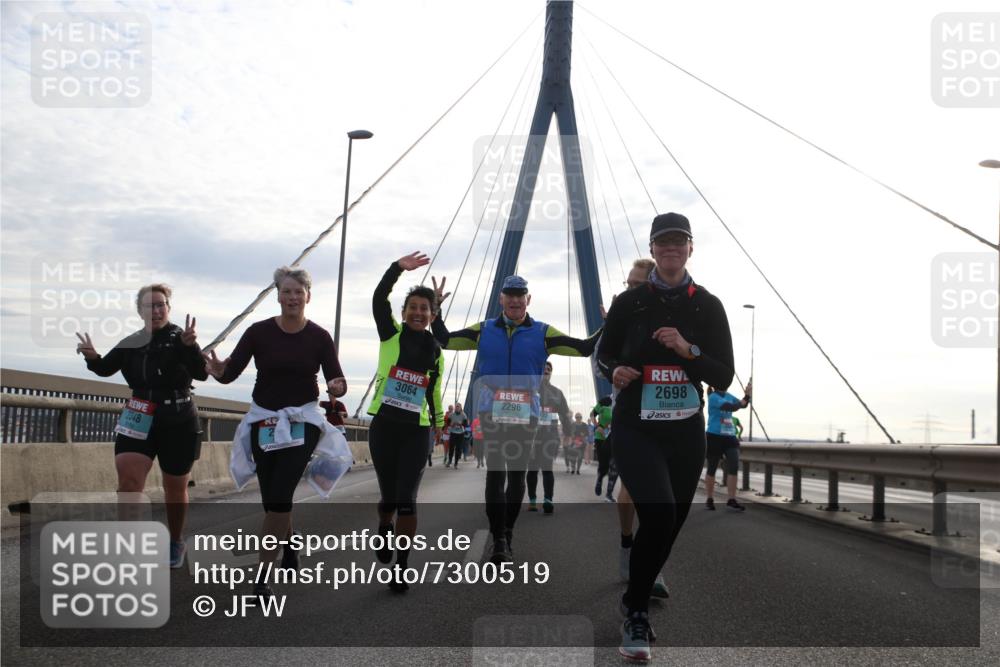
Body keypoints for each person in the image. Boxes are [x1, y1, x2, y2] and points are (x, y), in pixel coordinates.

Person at [597, 212, 735, 662]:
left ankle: (635, 587)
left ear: (690, 248)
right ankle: (636, 611)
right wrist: (613, 369)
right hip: (636, 425)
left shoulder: (708, 306)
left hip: (685, 430)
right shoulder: (630, 302)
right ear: (653, 249)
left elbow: (723, 375)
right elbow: (604, 354)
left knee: (671, 522)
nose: (671, 249)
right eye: (663, 242)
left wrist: (687, 350)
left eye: (680, 242)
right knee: (657, 516)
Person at [431, 274, 600, 563]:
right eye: (509, 295)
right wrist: (436, 310)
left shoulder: (544, 332)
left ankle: (507, 532)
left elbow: (583, 348)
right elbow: (445, 340)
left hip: (526, 415)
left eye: (520, 295)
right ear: (501, 299)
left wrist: (611, 323)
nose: (514, 300)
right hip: (491, 412)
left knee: (517, 477)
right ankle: (498, 539)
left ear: (528, 300)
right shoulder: (483, 330)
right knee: (495, 476)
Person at [204, 266, 350, 600]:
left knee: (281, 495)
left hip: (302, 422)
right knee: (273, 499)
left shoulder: (319, 336)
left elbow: (336, 380)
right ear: (278, 295)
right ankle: (290, 539)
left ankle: (262, 579)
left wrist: (336, 386)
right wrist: (217, 372)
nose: (293, 297)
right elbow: (230, 374)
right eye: (286, 292)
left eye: (299, 292)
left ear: (308, 296)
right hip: (264, 421)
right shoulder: (258, 332)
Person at [77, 284, 206, 569]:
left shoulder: (180, 338)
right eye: (150, 306)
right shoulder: (130, 342)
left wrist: (191, 346)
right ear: (140, 311)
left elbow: (201, 373)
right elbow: (104, 368)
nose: (156, 310)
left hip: (178, 418)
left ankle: (175, 540)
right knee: (129, 482)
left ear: (168, 309)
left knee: (175, 488)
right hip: (139, 415)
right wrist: (91, 356)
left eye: (161, 305)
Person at [365, 252, 446, 591]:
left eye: (424, 309)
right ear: (404, 312)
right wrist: (397, 268)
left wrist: (439, 422)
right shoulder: (390, 335)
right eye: (412, 307)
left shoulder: (436, 350)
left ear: (431, 315)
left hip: (417, 430)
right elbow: (378, 297)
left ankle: (401, 566)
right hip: (384, 426)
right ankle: (384, 527)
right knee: (388, 498)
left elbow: (434, 390)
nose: (417, 312)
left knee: (407, 499)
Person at [526, 361, 572, 513]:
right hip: (531, 436)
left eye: (549, 369)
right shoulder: (529, 390)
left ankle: (548, 500)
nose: (546, 370)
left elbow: (565, 415)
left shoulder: (557, 393)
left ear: (551, 373)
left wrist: (568, 433)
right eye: (543, 368)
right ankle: (532, 500)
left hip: (550, 435)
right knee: (532, 469)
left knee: (547, 468)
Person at [704, 382, 751, 512]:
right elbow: (731, 407)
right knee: (712, 467)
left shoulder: (729, 395)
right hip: (714, 435)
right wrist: (744, 400)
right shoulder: (713, 396)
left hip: (730, 435)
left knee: (734, 465)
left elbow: (743, 405)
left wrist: (747, 395)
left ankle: (731, 499)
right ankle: (709, 498)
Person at [591, 396, 613, 497]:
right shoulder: (606, 400)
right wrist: (596, 426)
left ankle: (609, 493)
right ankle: (600, 479)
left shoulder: (626, 399)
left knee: (614, 464)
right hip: (601, 438)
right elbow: (592, 414)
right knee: (604, 464)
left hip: (615, 437)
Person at [446, 402, 469, 468]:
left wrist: (460, 424)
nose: (457, 408)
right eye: (456, 406)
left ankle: (456, 463)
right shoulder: (451, 414)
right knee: (451, 448)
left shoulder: (464, 415)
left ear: (461, 408)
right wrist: (452, 424)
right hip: (453, 433)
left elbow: (466, 425)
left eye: (458, 406)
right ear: (455, 408)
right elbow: (447, 423)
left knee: (458, 449)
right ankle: (449, 461)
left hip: (460, 434)